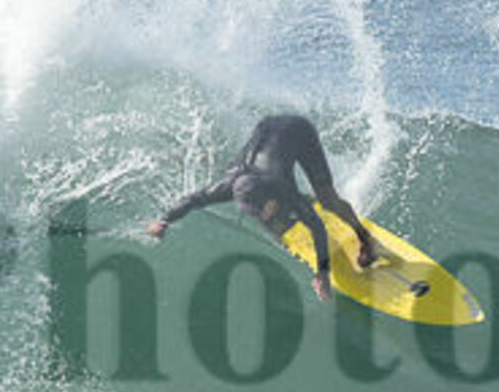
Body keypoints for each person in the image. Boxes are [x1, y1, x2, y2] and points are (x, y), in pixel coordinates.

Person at [147, 114, 378, 301]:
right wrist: (163, 222)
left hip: (298, 131)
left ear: (271, 198)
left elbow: (318, 228)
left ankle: (365, 239)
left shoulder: (282, 187)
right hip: (265, 130)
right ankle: (296, 205)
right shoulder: (229, 186)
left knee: (327, 200)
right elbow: (191, 200)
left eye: (260, 208)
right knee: (268, 213)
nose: (256, 214)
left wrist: (323, 273)